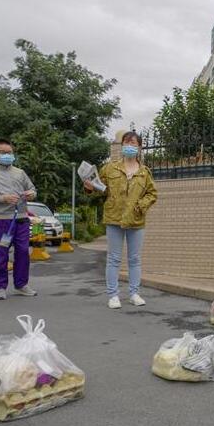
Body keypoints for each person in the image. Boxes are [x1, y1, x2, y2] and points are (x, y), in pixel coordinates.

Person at [84, 131, 157, 309]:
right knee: (113, 259)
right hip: (114, 218)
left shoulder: (144, 172)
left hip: (136, 220)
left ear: (139, 147)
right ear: (122, 146)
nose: (129, 146)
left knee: (134, 259)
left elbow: (152, 193)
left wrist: (140, 206)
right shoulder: (109, 168)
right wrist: (89, 188)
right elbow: (100, 190)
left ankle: (134, 293)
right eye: (127, 143)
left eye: (133, 143)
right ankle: (113, 295)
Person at [0, 138, 37, 300]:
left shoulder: (20, 172)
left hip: (22, 219)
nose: (7, 155)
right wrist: (2, 198)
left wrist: (31, 194)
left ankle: (21, 285)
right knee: (1, 253)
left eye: (9, 152)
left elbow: (32, 189)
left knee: (23, 252)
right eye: (3, 152)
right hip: (1, 221)